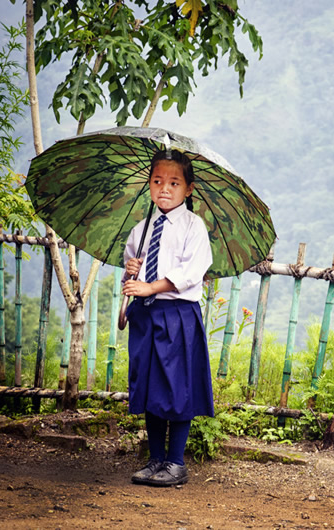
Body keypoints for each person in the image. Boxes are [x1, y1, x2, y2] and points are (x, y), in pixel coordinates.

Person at [121, 149, 214, 487]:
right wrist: (131, 271)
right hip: (146, 317)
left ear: (188, 189)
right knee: (150, 388)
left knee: (178, 387)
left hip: (178, 316)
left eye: (174, 182)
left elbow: (191, 273)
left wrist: (151, 287)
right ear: (149, 184)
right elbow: (132, 278)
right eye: (157, 181)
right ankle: (155, 459)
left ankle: (176, 462)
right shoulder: (140, 230)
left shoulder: (193, 226)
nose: (164, 188)